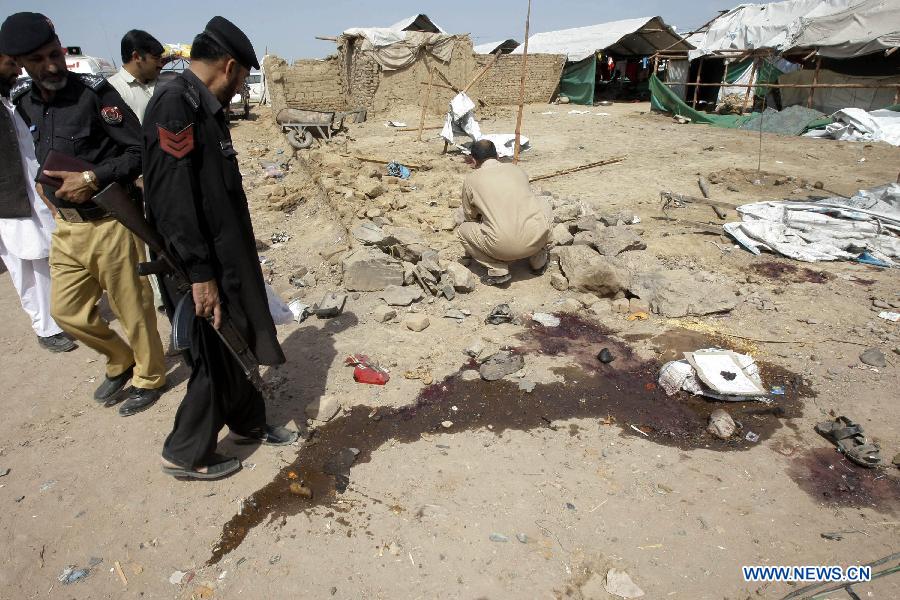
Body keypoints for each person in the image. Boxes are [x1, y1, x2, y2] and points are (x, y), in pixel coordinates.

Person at [142, 16, 297, 480]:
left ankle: (248, 424)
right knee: (215, 350)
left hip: (225, 254)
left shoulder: (197, 103)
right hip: (201, 263)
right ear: (229, 66)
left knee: (239, 337)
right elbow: (173, 201)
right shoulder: (176, 105)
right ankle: (186, 451)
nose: (241, 88)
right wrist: (200, 273)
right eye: (243, 78)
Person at [1, 12, 166, 416]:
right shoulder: (24, 101)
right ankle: (119, 358)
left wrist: (92, 177)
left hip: (110, 221)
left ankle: (150, 375)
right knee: (66, 313)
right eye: (38, 60)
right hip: (67, 229)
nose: (51, 65)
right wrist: (43, 182)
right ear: (22, 64)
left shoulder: (96, 94)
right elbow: (37, 151)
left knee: (133, 308)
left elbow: (139, 152)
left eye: (54, 53)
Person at [0, 53, 74, 353]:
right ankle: (46, 327)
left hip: (36, 192)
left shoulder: (10, 101)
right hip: (10, 201)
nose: (17, 70)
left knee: (47, 254)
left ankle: (61, 315)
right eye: (10, 64)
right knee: (24, 263)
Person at [107, 29, 167, 312]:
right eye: (155, 58)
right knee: (142, 242)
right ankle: (158, 299)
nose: (159, 64)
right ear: (136, 57)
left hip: (164, 176)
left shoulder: (158, 86)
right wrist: (136, 177)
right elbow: (113, 145)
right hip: (137, 182)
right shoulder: (111, 92)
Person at [457, 140, 552, 286]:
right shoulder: (516, 170)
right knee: (542, 203)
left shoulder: (471, 180)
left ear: (474, 160)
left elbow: (470, 216)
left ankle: (498, 270)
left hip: (503, 247)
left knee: (463, 230)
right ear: (497, 155)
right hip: (537, 237)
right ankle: (538, 261)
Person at [106, 30, 165, 125]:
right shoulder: (113, 90)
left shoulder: (165, 83)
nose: (161, 64)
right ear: (136, 56)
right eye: (156, 58)